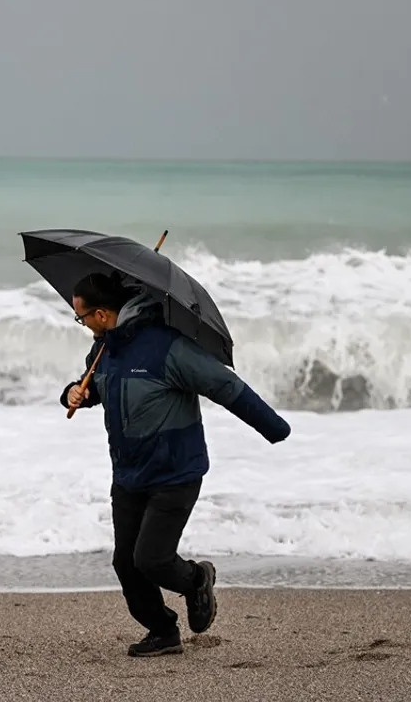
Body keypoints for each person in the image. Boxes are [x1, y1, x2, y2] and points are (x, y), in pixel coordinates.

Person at [60, 272, 291, 657]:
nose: (82, 324)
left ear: (101, 314)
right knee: (126, 564)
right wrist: (76, 393)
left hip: (175, 471)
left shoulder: (167, 347)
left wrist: (274, 428)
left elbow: (225, 386)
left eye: (81, 317)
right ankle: (163, 631)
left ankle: (198, 578)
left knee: (151, 559)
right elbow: (100, 385)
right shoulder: (105, 349)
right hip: (129, 472)